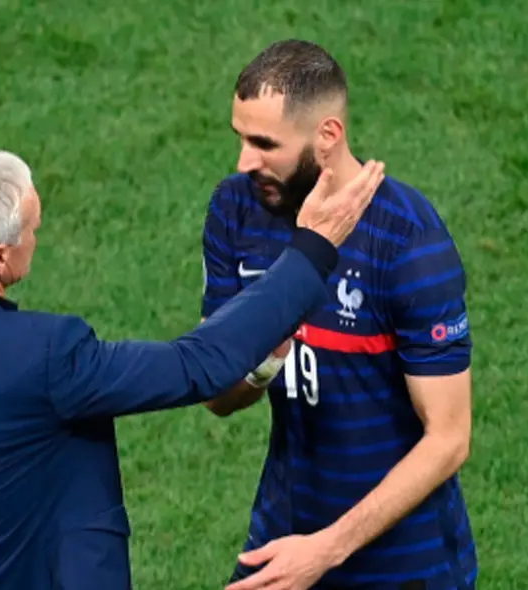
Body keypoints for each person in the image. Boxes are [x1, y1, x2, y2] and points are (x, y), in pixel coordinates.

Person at [0, 148, 385, 590]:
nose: (38, 229)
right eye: (31, 226)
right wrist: (312, 249)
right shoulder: (46, 356)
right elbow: (199, 365)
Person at [199, 40, 476, 590]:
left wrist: (326, 551)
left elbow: (449, 438)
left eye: (263, 143)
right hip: (286, 532)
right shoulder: (236, 211)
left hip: (406, 565)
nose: (244, 161)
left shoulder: (406, 238)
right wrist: (260, 362)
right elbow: (216, 392)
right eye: (240, 138)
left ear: (327, 136)